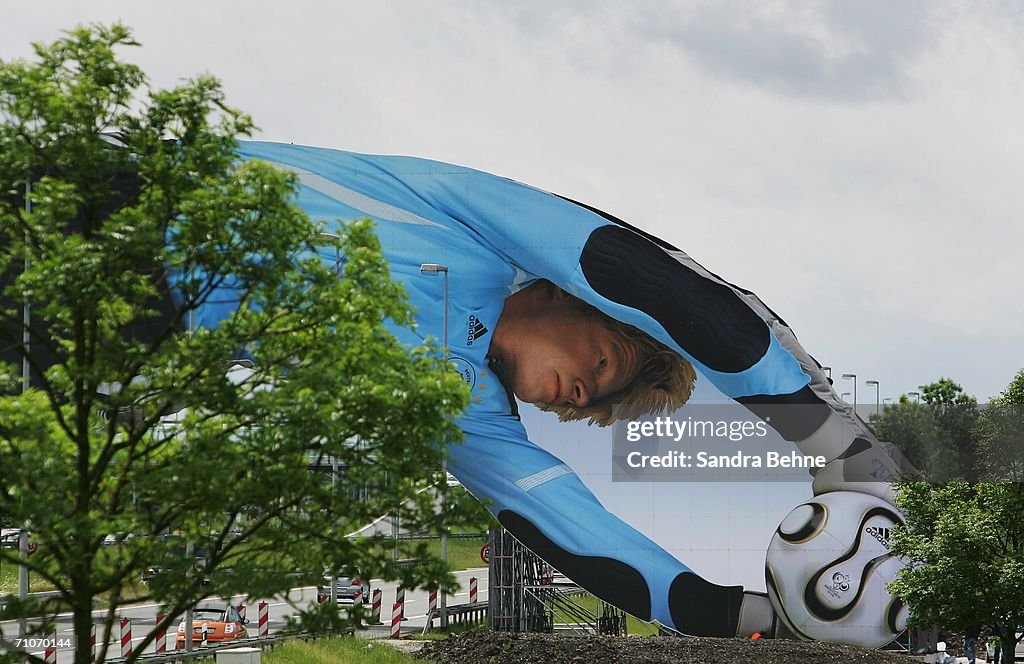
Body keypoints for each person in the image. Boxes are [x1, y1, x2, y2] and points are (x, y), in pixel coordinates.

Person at [182, 141, 911, 639]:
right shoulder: (481, 230)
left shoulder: (465, 413)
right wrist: (841, 453)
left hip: (123, 321)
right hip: (132, 187)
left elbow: (576, 532)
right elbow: (668, 288)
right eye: (603, 360)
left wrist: (752, 615)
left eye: (590, 399)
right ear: (574, 298)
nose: (578, 394)